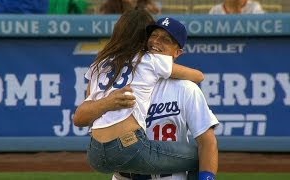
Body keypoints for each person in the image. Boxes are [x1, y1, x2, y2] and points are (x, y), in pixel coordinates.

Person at [75, 16, 219, 180]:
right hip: (126, 170)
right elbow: (80, 118)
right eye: (153, 35)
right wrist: (106, 103)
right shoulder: (121, 75)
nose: (157, 41)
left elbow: (207, 142)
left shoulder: (187, 89)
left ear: (177, 52)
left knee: (202, 158)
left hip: (165, 175)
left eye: (166, 39)